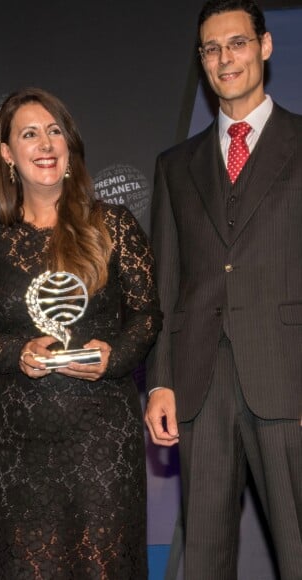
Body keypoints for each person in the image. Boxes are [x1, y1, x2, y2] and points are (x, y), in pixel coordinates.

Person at [0, 87, 162, 579]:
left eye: (54, 132)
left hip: (103, 439)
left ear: (70, 146)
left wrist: (113, 357)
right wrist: (17, 352)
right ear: (7, 153)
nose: (45, 144)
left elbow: (148, 315)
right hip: (21, 446)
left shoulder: (114, 223)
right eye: (30, 134)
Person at [145, 1, 302, 578]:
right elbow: (165, 282)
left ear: (264, 46)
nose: (223, 58)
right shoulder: (174, 164)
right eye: (211, 49)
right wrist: (161, 380)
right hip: (199, 382)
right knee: (204, 555)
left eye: (236, 43)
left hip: (289, 378)